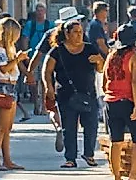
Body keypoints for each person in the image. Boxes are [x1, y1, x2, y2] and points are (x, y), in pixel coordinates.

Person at [41, 15, 105, 170]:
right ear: (67, 34)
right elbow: (46, 70)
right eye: (75, 32)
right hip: (66, 95)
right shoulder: (58, 51)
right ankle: (70, 158)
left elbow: (100, 69)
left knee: (91, 125)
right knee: (69, 128)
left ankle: (89, 154)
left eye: (81, 32)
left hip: (88, 93)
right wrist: (48, 87)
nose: (79, 35)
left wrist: (99, 60)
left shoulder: (89, 48)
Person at [103, 25, 136, 180]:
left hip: (111, 100)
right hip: (128, 100)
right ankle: (133, 175)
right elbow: (135, 82)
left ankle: (117, 178)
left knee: (115, 141)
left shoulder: (111, 56)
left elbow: (104, 80)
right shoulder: (134, 57)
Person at [0, 16, 23, 170]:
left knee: (7, 127)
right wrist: (18, 59)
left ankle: (7, 160)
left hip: (11, 86)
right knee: (0, 127)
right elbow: (3, 68)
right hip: (2, 86)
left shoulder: (9, 48)